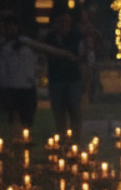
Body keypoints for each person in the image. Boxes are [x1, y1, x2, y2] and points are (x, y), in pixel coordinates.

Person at [1, 11, 78, 139]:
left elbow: (47, 49)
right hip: (9, 88)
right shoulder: (4, 46)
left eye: (12, 25)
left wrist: (67, 55)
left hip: (25, 88)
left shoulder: (25, 42)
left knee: (26, 123)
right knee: (12, 122)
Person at [42, 9, 88, 139]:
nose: (65, 25)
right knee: (59, 113)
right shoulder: (50, 38)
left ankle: (76, 139)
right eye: (61, 22)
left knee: (75, 111)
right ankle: (62, 139)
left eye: (67, 22)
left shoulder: (76, 36)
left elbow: (82, 58)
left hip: (73, 80)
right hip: (56, 80)